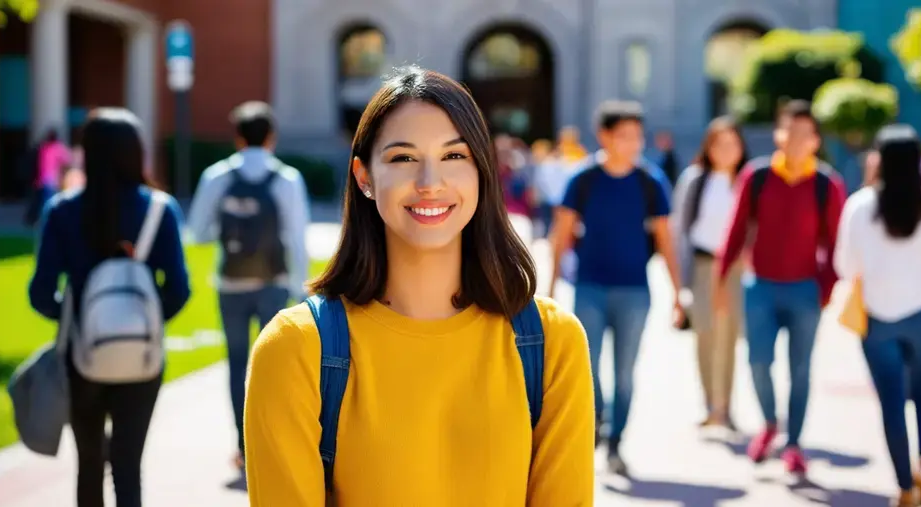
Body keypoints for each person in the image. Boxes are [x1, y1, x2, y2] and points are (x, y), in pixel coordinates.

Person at [243, 66, 594, 506]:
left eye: (454, 156)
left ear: (483, 171)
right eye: (403, 158)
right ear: (364, 177)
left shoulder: (551, 343)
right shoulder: (296, 349)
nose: (430, 184)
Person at [28, 108, 191, 507]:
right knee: (127, 466)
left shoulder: (62, 211)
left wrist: (73, 319)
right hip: (143, 357)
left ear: (88, 153)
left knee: (88, 464)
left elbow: (40, 292)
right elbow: (180, 290)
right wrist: (147, 320)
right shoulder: (160, 209)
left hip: (81, 357)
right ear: (136, 153)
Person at [547, 99, 683, 476]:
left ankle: (616, 440)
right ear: (604, 136)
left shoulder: (650, 181)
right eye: (624, 135)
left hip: (635, 292)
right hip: (589, 288)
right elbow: (560, 235)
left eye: (637, 136)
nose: (633, 143)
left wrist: (678, 292)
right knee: (587, 368)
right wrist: (552, 287)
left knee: (625, 372)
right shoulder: (583, 179)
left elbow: (666, 240)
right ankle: (597, 422)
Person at [715, 99, 846, 475]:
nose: (796, 139)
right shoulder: (756, 177)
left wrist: (826, 289)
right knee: (757, 363)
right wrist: (723, 280)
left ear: (816, 141)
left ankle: (794, 444)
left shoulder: (827, 184)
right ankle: (770, 423)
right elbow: (736, 230)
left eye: (806, 133)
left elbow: (837, 244)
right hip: (761, 288)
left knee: (801, 370)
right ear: (778, 133)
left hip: (806, 290)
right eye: (790, 130)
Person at [186, 100, 310, 469]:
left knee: (237, 364)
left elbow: (197, 232)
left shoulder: (217, 176)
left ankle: (243, 447)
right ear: (271, 137)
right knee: (272, 365)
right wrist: (299, 289)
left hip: (231, 282)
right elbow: (297, 238)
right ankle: (271, 441)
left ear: (237, 137)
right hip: (274, 282)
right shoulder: (286, 179)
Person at [834, 124, 921, 507]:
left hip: (878, 319)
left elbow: (845, 266)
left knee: (891, 402)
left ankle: (904, 487)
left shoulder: (861, 206)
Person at [670, 116, 749, 430]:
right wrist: (681, 280)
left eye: (732, 143)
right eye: (719, 144)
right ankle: (709, 404)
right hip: (703, 266)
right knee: (705, 333)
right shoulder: (695, 179)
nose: (726, 150)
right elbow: (681, 229)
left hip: (736, 268)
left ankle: (725, 407)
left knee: (729, 336)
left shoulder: (747, 180)